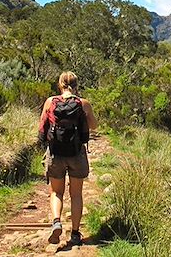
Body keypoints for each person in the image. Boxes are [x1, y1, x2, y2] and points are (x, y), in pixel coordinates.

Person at [38, 71, 98, 247]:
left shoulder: (50, 101)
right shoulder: (83, 103)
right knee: (76, 194)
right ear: (76, 84)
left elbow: (42, 126)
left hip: (55, 153)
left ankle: (56, 221)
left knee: (56, 192)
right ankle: (75, 233)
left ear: (60, 84)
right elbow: (94, 126)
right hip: (76, 153)